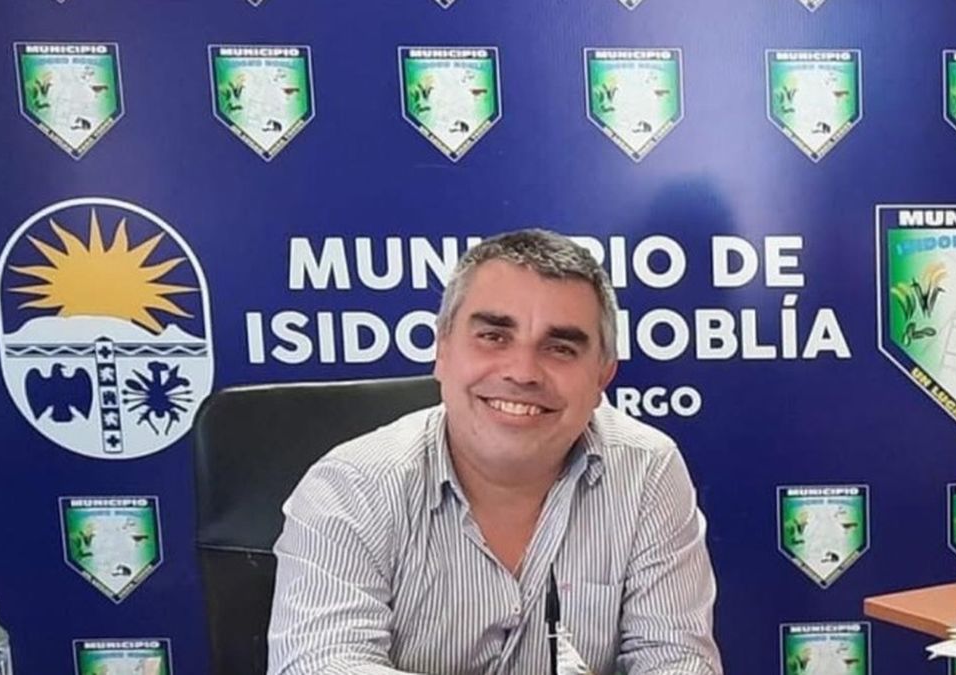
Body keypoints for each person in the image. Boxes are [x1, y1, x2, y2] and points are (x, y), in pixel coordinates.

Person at [267, 229, 722, 675]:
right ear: (442, 349)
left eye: (560, 348)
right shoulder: (352, 485)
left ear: (602, 376)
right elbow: (318, 663)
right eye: (494, 337)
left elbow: (677, 659)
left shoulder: (647, 470)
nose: (523, 372)